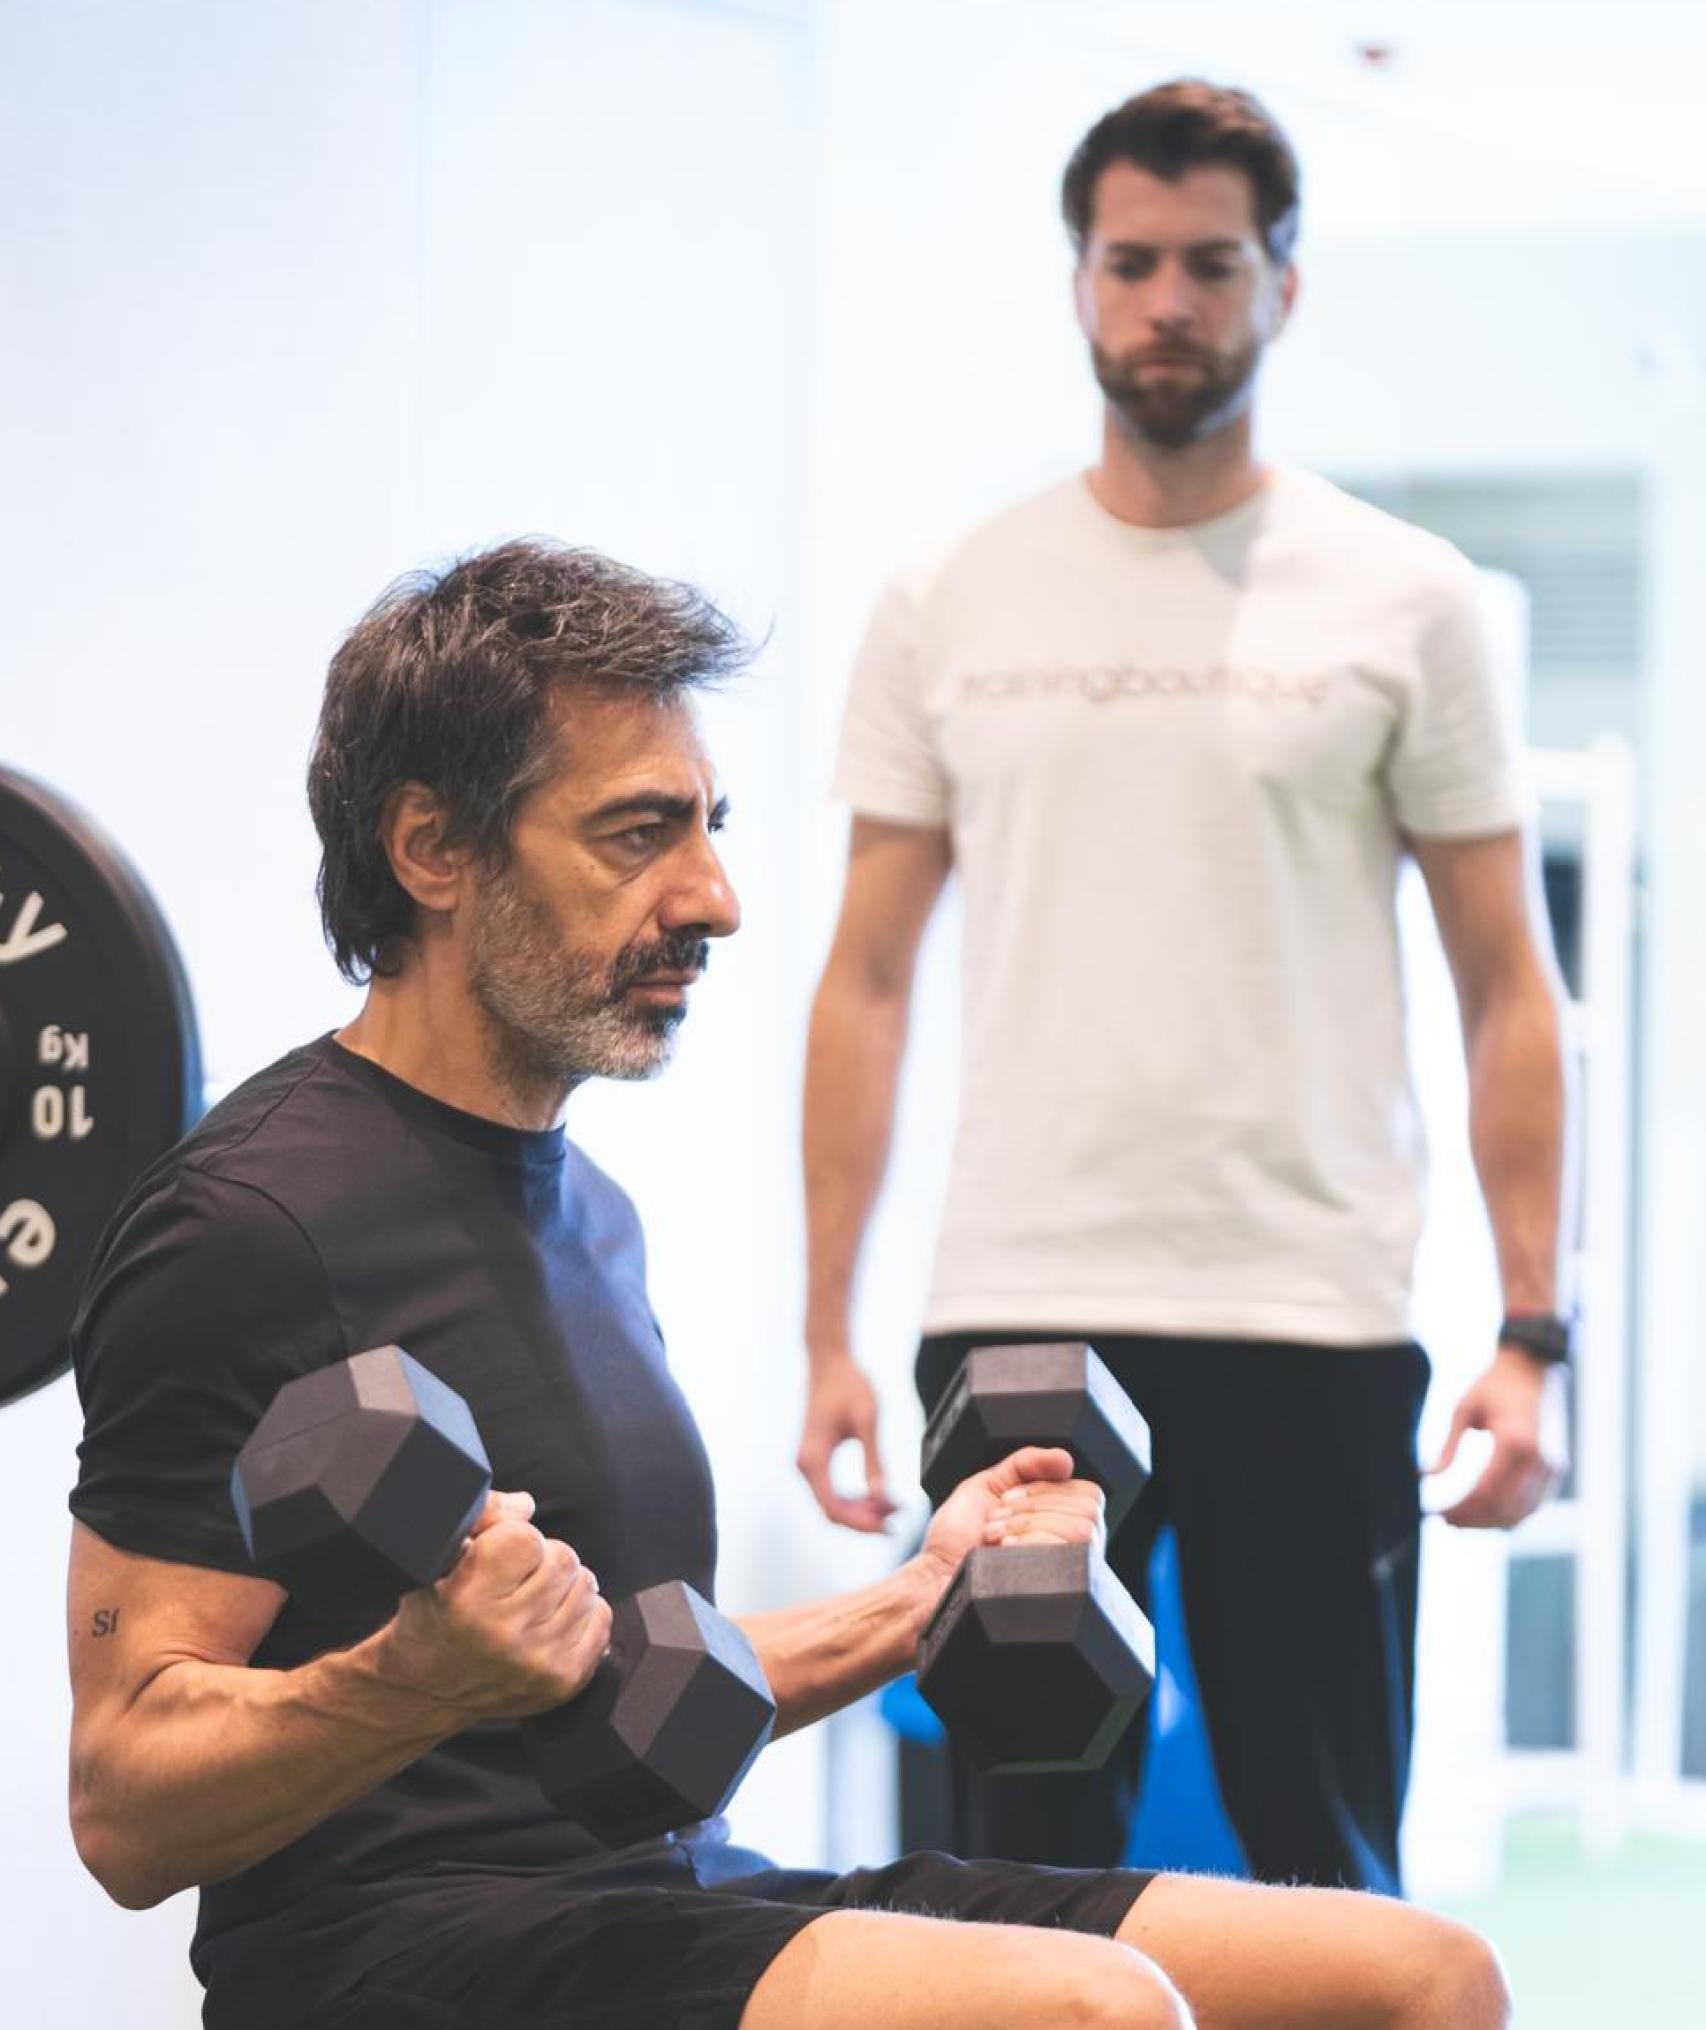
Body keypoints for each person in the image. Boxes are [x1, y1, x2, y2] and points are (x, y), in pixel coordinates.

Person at [66, 540, 1509, 2029]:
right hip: (400, 1951)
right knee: (1094, 2013)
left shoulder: (590, 1215)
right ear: (431, 849)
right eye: (637, 834)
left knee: (1417, 1976)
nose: (715, 896)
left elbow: (633, 1683)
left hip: (661, 1885)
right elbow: (122, 1804)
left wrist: (918, 1600)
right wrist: (407, 1681)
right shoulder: (242, 1225)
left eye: (708, 826)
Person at [798, 79, 1568, 1893]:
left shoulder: (1407, 600)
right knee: (1016, 1883)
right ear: (1077, 280)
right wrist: (828, 1326)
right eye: (1129, 263)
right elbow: (863, 979)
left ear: (1278, 286)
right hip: (1018, 1318)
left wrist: (1530, 1334)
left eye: (1208, 264)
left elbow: (1505, 987)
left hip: (1308, 1313)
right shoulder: (947, 596)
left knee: (1328, 1870)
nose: (1166, 303)